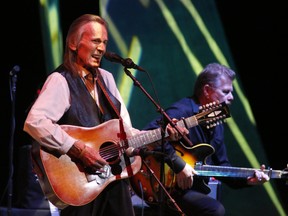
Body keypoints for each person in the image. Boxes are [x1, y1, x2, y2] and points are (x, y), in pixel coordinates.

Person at [23, 14, 186, 216]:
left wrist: (163, 134)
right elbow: (35, 121)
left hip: (112, 179)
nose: (101, 48)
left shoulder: (106, 79)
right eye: (95, 41)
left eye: (105, 42)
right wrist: (79, 149)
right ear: (74, 43)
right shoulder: (61, 80)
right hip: (79, 181)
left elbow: (126, 132)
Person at [139, 63, 270, 216]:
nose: (231, 97)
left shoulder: (217, 123)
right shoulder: (183, 110)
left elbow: (222, 165)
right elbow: (147, 135)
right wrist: (179, 165)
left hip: (192, 189)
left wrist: (248, 180)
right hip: (163, 186)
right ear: (207, 90)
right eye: (226, 91)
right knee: (214, 210)